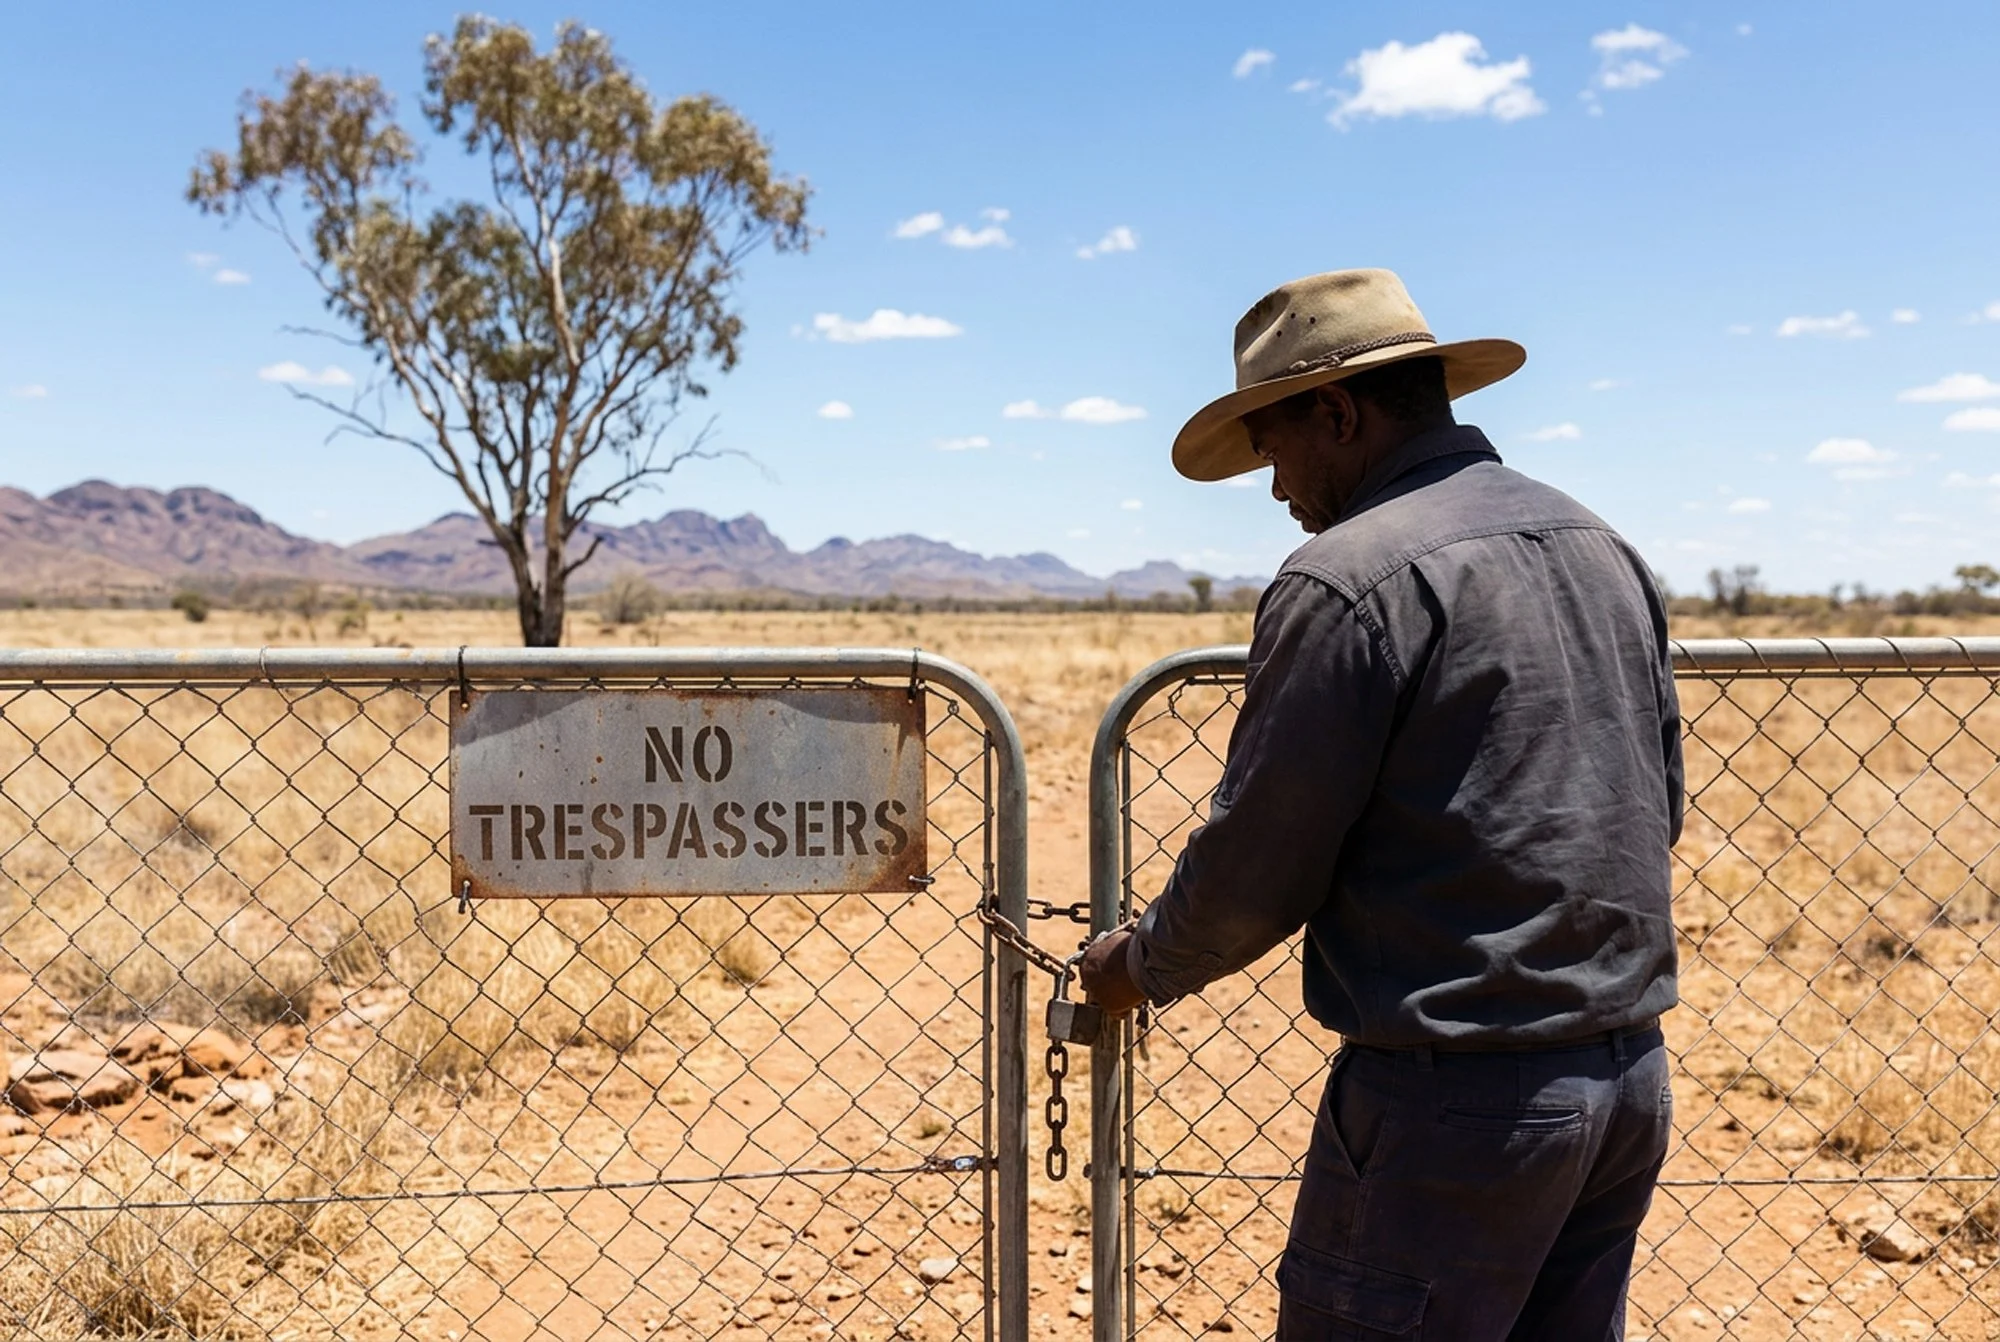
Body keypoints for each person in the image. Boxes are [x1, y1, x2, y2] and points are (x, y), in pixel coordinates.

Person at [1079, 268, 1683, 1340]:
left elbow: (1259, 862)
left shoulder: (1345, 576)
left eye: (1272, 451)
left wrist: (1136, 966)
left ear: (1336, 412)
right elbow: (1654, 804)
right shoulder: (1602, 546)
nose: (1274, 490)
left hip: (1454, 1110)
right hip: (1625, 1080)